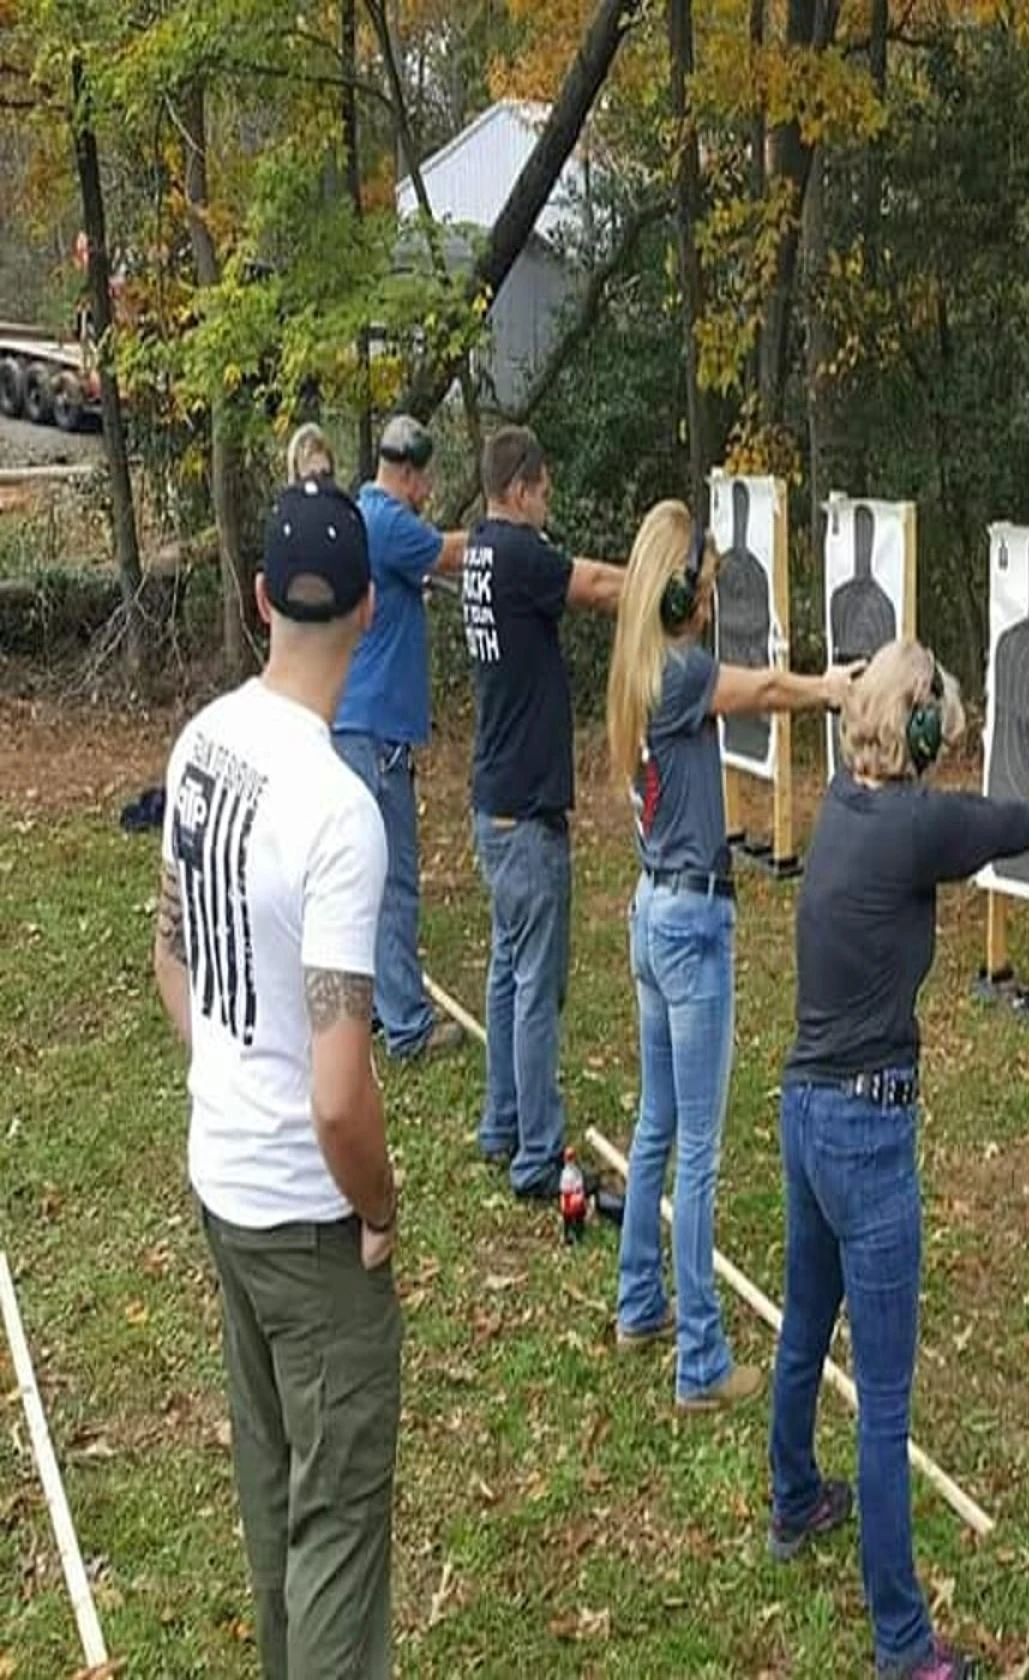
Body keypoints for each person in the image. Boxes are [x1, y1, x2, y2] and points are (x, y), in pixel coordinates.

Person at [765, 639, 1029, 1680]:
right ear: (912, 733)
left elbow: (954, 814)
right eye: (934, 730)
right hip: (864, 1128)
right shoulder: (910, 823)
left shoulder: (837, 804)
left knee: (805, 1326)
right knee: (888, 1398)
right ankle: (903, 1643)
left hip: (806, 1111)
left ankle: (790, 1498)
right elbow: (996, 826)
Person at [152, 475, 402, 1677]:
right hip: (307, 1224)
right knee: (339, 1521)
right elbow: (342, 1093)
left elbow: (170, 952)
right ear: (367, 614)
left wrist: (231, 1074)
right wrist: (381, 1206)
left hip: (225, 1189)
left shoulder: (203, 743)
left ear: (262, 602)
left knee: (274, 1489)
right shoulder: (341, 813)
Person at [603, 498, 861, 1409]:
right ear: (674, 592)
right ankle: (701, 1358)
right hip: (687, 926)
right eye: (703, 589)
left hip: (651, 913)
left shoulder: (638, 665)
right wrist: (831, 689)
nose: (709, 604)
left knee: (656, 1125)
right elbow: (757, 691)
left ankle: (640, 1302)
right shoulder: (677, 675)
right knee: (697, 1151)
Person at [466, 425, 625, 1199]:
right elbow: (597, 586)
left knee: (506, 970)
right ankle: (536, 1154)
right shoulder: (521, 553)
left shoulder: (481, 549)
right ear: (522, 486)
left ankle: (502, 1124)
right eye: (545, 487)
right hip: (524, 811)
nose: (549, 500)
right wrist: (666, 576)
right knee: (535, 982)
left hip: (495, 799)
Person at [333, 414, 468, 1062]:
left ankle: (383, 1010)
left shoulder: (366, 516)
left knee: (364, 878)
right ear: (407, 474)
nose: (430, 490)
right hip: (376, 730)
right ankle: (409, 1027)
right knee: (393, 881)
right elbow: (450, 552)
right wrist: (505, 539)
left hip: (361, 724)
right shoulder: (389, 523)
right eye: (426, 479)